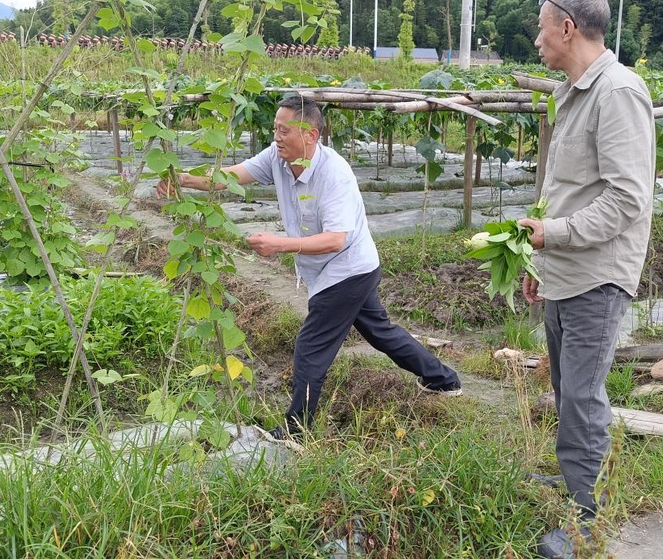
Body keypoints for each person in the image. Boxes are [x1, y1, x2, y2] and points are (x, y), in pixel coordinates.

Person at [157, 95, 462, 439]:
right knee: (381, 332)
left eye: (284, 130)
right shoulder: (277, 158)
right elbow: (230, 176)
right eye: (275, 129)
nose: (277, 137)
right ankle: (443, 379)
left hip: (348, 268)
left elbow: (336, 239)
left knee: (310, 346)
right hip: (333, 267)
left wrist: (280, 244)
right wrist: (182, 179)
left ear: (311, 135)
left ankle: (296, 430)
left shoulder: (335, 175)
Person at [516, 0, 655, 558]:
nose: (537, 39)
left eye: (542, 27)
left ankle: (586, 522)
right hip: (566, 268)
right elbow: (569, 190)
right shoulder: (571, 92)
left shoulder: (618, 92)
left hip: (598, 273)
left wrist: (559, 236)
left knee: (581, 392)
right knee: (564, 387)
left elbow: (627, 198)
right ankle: (576, 481)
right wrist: (539, 256)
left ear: (568, 27)